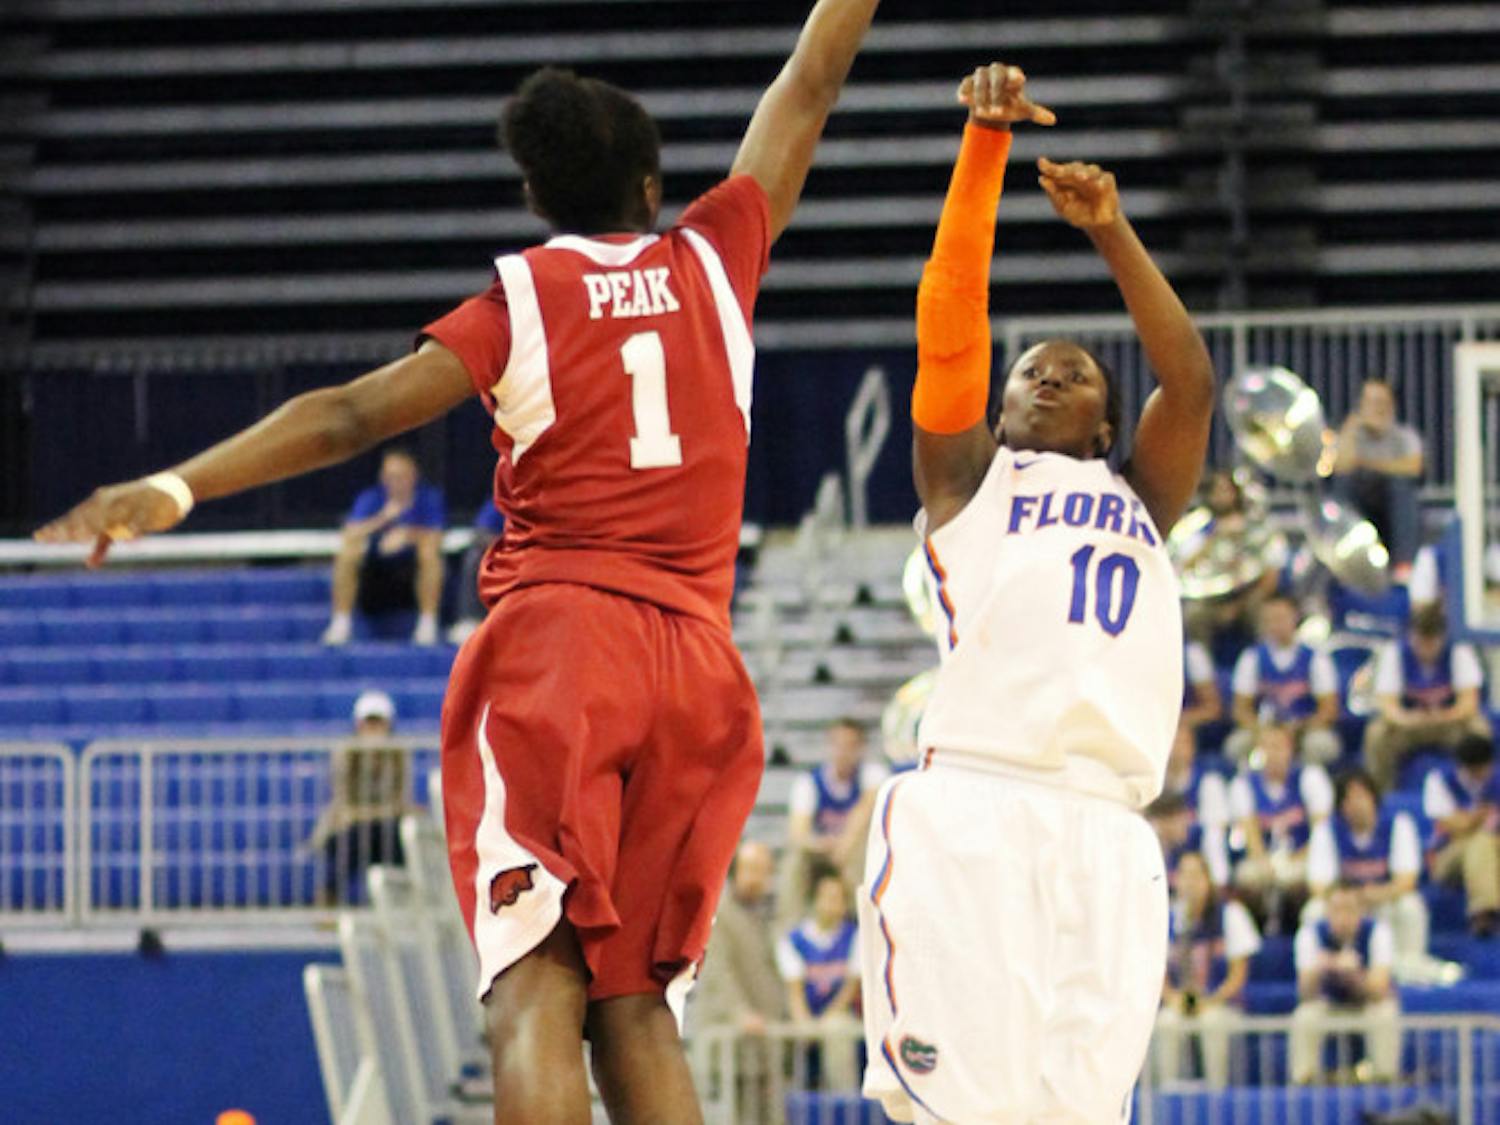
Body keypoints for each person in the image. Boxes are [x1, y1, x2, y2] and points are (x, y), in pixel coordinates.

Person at [33, 2, 883, 1118]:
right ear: (648, 191)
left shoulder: (522, 297)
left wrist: (178, 484)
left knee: (533, 985)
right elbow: (809, 81)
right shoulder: (715, 259)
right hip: (703, 670)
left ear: (537, 199)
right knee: (637, 1010)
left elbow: (347, 417)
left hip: (566, 647)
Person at [859, 63, 1216, 1125]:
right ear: (999, 409)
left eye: (1078, 374)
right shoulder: (969, 485)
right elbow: (949, 315)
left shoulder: (1142, 498)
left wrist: (1111, 227)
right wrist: (984, 149)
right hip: (976, 809)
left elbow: (1188, 378)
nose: (1050, 377)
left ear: (1107, 429)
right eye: (1031, 372)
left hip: (1110, 833)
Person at [691, 841, 787, 1124]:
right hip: (731, 1042)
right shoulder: (720, 914)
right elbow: (719, 974)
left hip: (763, 1044)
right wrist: (740, 1013)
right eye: (752, 870)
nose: (759, 878)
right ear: (735, 872)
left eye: (764, 871)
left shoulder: (766, 916)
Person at [1155, 850, 1261, 1087]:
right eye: (1184, 874)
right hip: (1182, 1002)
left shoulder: (1231, 914)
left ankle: (1216, 1092)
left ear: (1208, 879)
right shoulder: (1166, 916)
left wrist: (1212, 1001)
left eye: (1196, 875)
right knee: (1167, 1022)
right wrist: (1173, 998)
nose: (1190, 882)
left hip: (1221, 1004)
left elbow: (1238, 974)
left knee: (1212, 1023)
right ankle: (1168, 1092)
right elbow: (1157, 973)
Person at [322, 447, 447, 646]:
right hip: (374, 575)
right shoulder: (371, 498)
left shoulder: (429, 498)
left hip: (410, 574)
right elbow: (350, 533)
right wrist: (384, 518)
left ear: (413, 475)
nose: (394, 482)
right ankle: (341, 622)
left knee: (430, 552)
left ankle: (427, 623)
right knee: (348, 552)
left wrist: (408, 535)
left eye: (400, 476)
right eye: (389, 476)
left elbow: (437, 535)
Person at [1307, 768, 1428, 972]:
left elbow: (1407, 881)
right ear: (1341, 806)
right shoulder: (1327, 830)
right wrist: (1348, 901)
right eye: (1350, 799)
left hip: (1382, 899)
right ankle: (1319, 967)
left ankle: (1411, 965)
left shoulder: (1398, 824)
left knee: (1410, 906)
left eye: (1362, 796)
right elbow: (1318, 885)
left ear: (1374, 798)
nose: (1357, 805)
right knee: (1313, 910)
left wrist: (1372, 895)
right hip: (1344, 903)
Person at [1364, 601, 1490, 792]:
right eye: (1421, 641)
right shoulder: (1395, 652)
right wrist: (1409, 719)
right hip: (1409, 724)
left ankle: (1483, 791)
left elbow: (1469, 704)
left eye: (1431, 642)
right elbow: (1388, 707)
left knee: (1479, 730)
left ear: (1441, 637)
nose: (1426, 648)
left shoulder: (1458, 650)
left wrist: (1443, 716)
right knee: (1377, 734)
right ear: (1412, 635)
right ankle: (1382, 793)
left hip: (1448, 722)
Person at [306, 688, 411, 904]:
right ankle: (328, 900)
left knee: (398, 840)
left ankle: (404, 905)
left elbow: (400, 799)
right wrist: (379, 813)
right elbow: (344, 803)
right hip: (352, 827)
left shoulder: (398, 753)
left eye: (378, 722)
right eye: (369, 722)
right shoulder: (346, 753)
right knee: (350, 842)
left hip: (382, 826)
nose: (373, 729)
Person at [1290, 882, 1401, 1084]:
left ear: (1362, 911)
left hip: (1365, 1005)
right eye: (1336, 910)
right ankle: (1304, 1080)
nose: (1342, 918)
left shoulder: (1377, 933)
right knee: (1305, 1016)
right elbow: (1304, 993)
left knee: (1385, 1012)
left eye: (1349, 910)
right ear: (1326, 911)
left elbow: (1379, 990)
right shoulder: (1310, 934)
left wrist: (1355, 975)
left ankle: (1385, 1078)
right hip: (1329, 1005)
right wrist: (1324, 967)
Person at [781, 717, 887, 924]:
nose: (843, 751)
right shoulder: (809, 782)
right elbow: (798, 833)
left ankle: (859, 923)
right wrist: (820, 844)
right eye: (837, 744)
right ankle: (789, 928)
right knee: (794, 860)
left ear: (861, 748)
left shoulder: (872, 775)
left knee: (861, 851)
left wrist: (844, 845)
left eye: (850, 745)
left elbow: (863, 813)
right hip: (823, 852)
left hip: (854, 852)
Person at [1229, 724, 1334, 931]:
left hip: (1302, 856)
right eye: (1268, 746)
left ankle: (1294, 927)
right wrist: (1265, 863)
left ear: (1290, 749)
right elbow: (1251, 836)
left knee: (1298, 878)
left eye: (1279, 746)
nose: (1273, 753)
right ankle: (1258, 930)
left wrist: (1297, 859)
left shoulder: (1309, 777)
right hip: (1267, 858)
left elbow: (1320, 831)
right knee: (1247, 875)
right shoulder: (1244, 784)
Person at [1225, 595, 1341, 765]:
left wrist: (1300, 728)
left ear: (1295, 617)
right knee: (1236, 746)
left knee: (1320, 745)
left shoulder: (1316, 658)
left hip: (1304, 728)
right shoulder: (1251, 657)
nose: (1276, 625)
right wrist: (1262, 731)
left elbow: (1329, 708)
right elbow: (1240, 709)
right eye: (1269, 620)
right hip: (1263, 727)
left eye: (1281, 618)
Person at [778, 868, 862, 1090]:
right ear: (814, 899)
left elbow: (850, 988)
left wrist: (827, 1020)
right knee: (797, 1033)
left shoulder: (855, 936)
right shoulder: (793, 940)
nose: (833, 904)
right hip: (806, 1013)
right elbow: (794, 991)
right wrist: (806, 1022)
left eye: (838, 898)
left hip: (840, 1015)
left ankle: (842, 1102)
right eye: (827, 897)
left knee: (837, 1030)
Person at [1332, 378, 1424, 575]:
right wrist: (1350, 428)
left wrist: (1366, 463)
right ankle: (1343, 565)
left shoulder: (1404, 436)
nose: (1378, 409)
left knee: (1401, 487)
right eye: (1372, 402)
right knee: (1343, 484)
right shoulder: (1352, 433)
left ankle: (1404, 569)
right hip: (1359, 509)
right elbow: (1339, 466)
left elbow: (1413, 468)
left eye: (1382, 403)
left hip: (1392, 512)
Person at [1423, 734, 1500, 937]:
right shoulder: (1439, 781)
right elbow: (1452, 826)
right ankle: (1485, 911)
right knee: (1480, 843)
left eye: (1484, 769)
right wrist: (1478, 817)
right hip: (1448, 856)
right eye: (1475, 771)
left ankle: (1485, 912)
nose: (1481, 775)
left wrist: (1473, 819)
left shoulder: (1496, 779)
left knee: (1484, 843)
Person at [447, 500, 506, 644]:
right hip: (507, 553)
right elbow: (481, 531)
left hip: (539, 556)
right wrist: (506, 546)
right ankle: (470, 618)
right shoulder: (505, 499)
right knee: (475, 555)